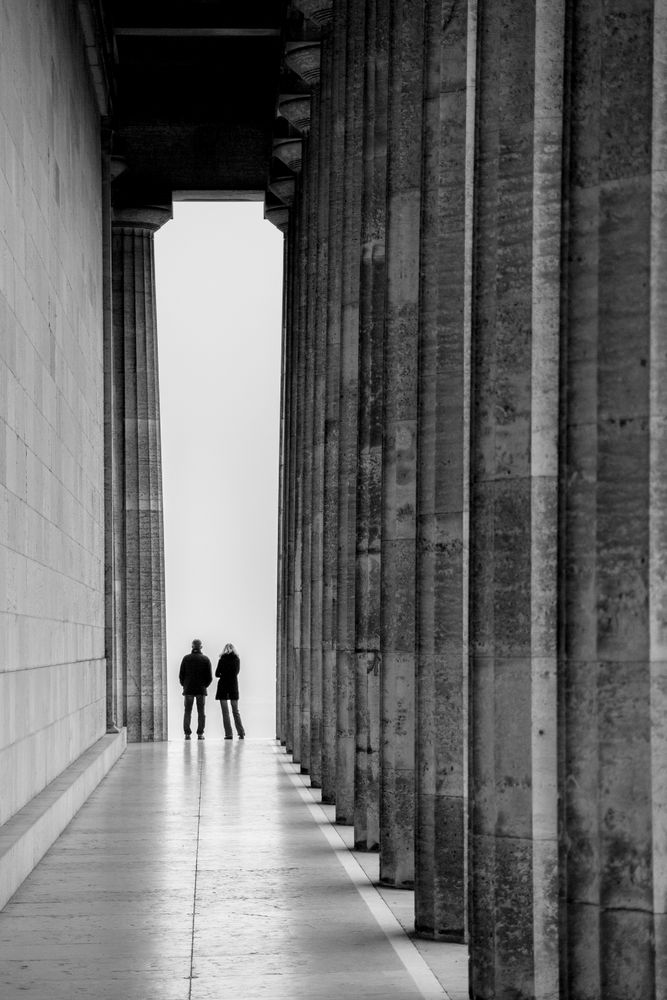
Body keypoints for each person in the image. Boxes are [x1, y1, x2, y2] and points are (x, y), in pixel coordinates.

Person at [179, 638, 213, 740]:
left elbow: (181, 675)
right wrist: (204, 685)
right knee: (201, 712)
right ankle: (200, 734)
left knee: (187, 712)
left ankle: (187, 734)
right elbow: (210, 677)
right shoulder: (206, 659)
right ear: (201, 647)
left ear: (192, 646)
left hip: (188, 689)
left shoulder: (186, 658)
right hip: (201, 690)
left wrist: (184, 685)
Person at [215, 643, 246, 739]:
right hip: (233, 686)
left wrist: (223, 675)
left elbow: (216, 674)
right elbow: (236, 673)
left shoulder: (221, 660)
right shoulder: (237, 660)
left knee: (225, 712)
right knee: (235, 711)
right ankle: (241, 733)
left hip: (223, 686)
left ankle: (228, 734)